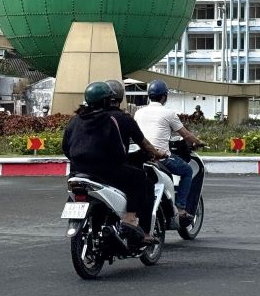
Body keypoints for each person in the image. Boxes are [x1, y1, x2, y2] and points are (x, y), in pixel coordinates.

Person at [63, 81, 166, 244]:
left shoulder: (75, 120)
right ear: (107, 100)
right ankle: (131, 220)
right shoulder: (111, 120)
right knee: (139, 178)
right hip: (106, 170)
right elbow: (118, 149)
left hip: (77, 171)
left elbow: (66, 147)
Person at [134, 79, 205, 228]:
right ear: (164, 97)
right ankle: (180, 208)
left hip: (140, 156)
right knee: (187, 171)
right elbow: (186, 135)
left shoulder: (138, 113)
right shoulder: (168, 113)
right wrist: (198, 142)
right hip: (161, 157)